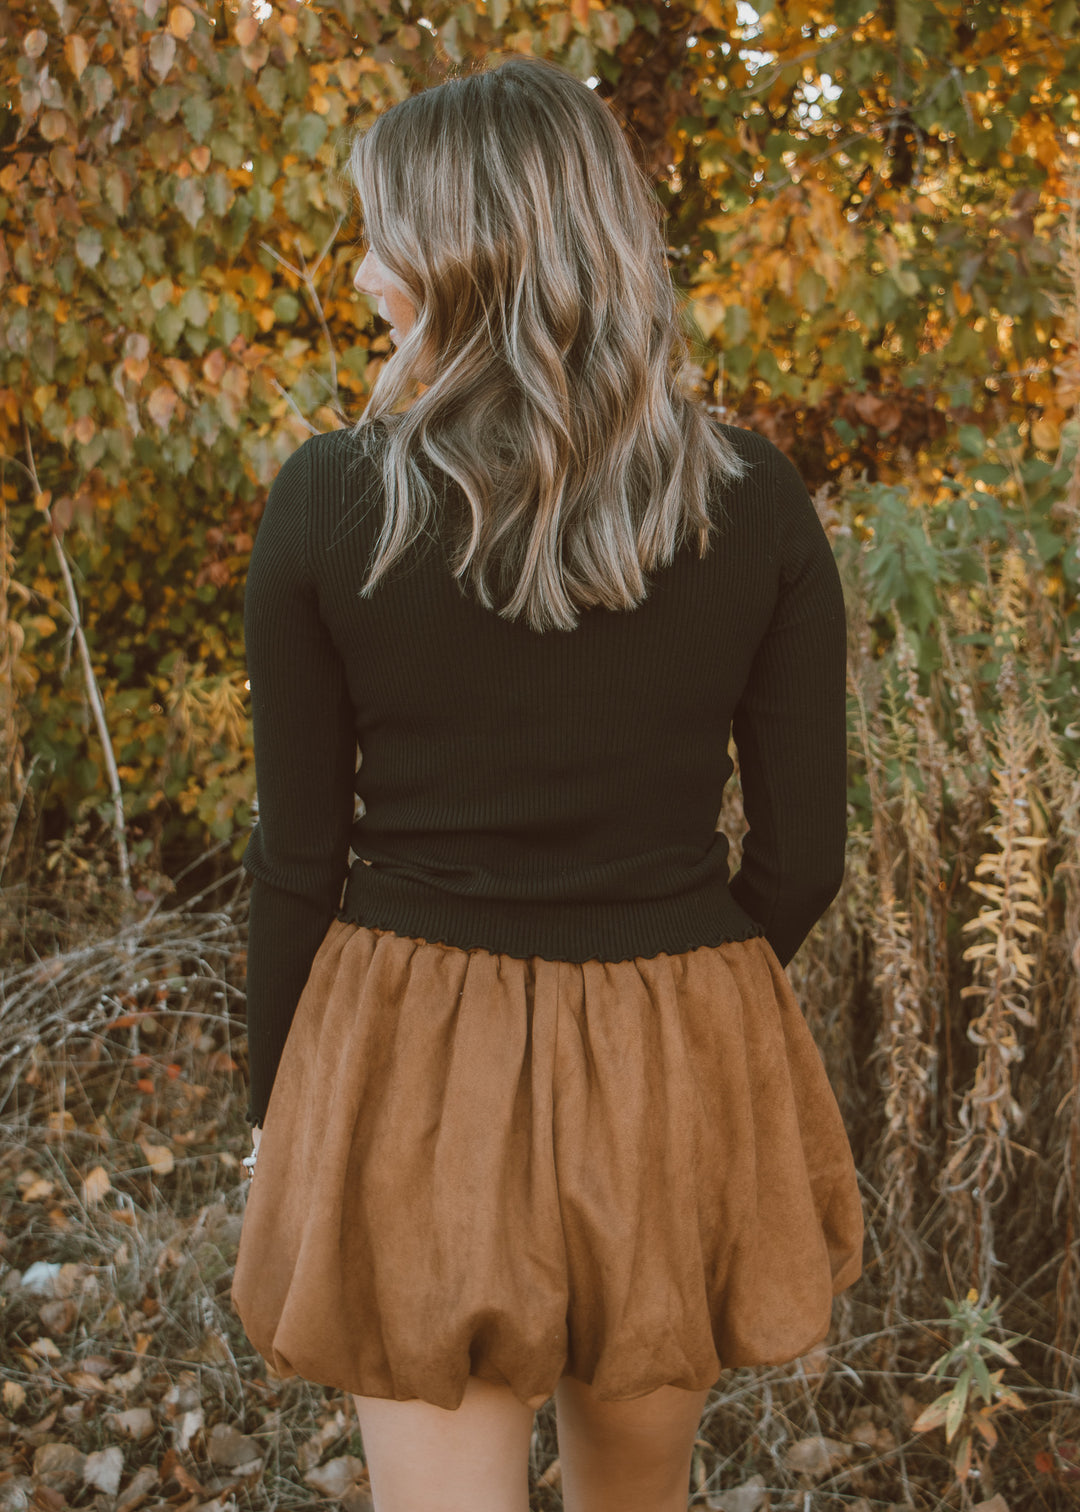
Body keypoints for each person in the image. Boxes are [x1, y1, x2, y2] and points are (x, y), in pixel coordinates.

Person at [230, 52, 864, 1512]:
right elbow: (804, 856)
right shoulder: (753, 498)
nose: (366, 273)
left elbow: (296, 858)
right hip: (668, 1053)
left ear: (462, 253)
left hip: (411, 1057)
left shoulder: (331, 501)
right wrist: (688, 995)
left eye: (384, 235)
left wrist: (288, 1098)